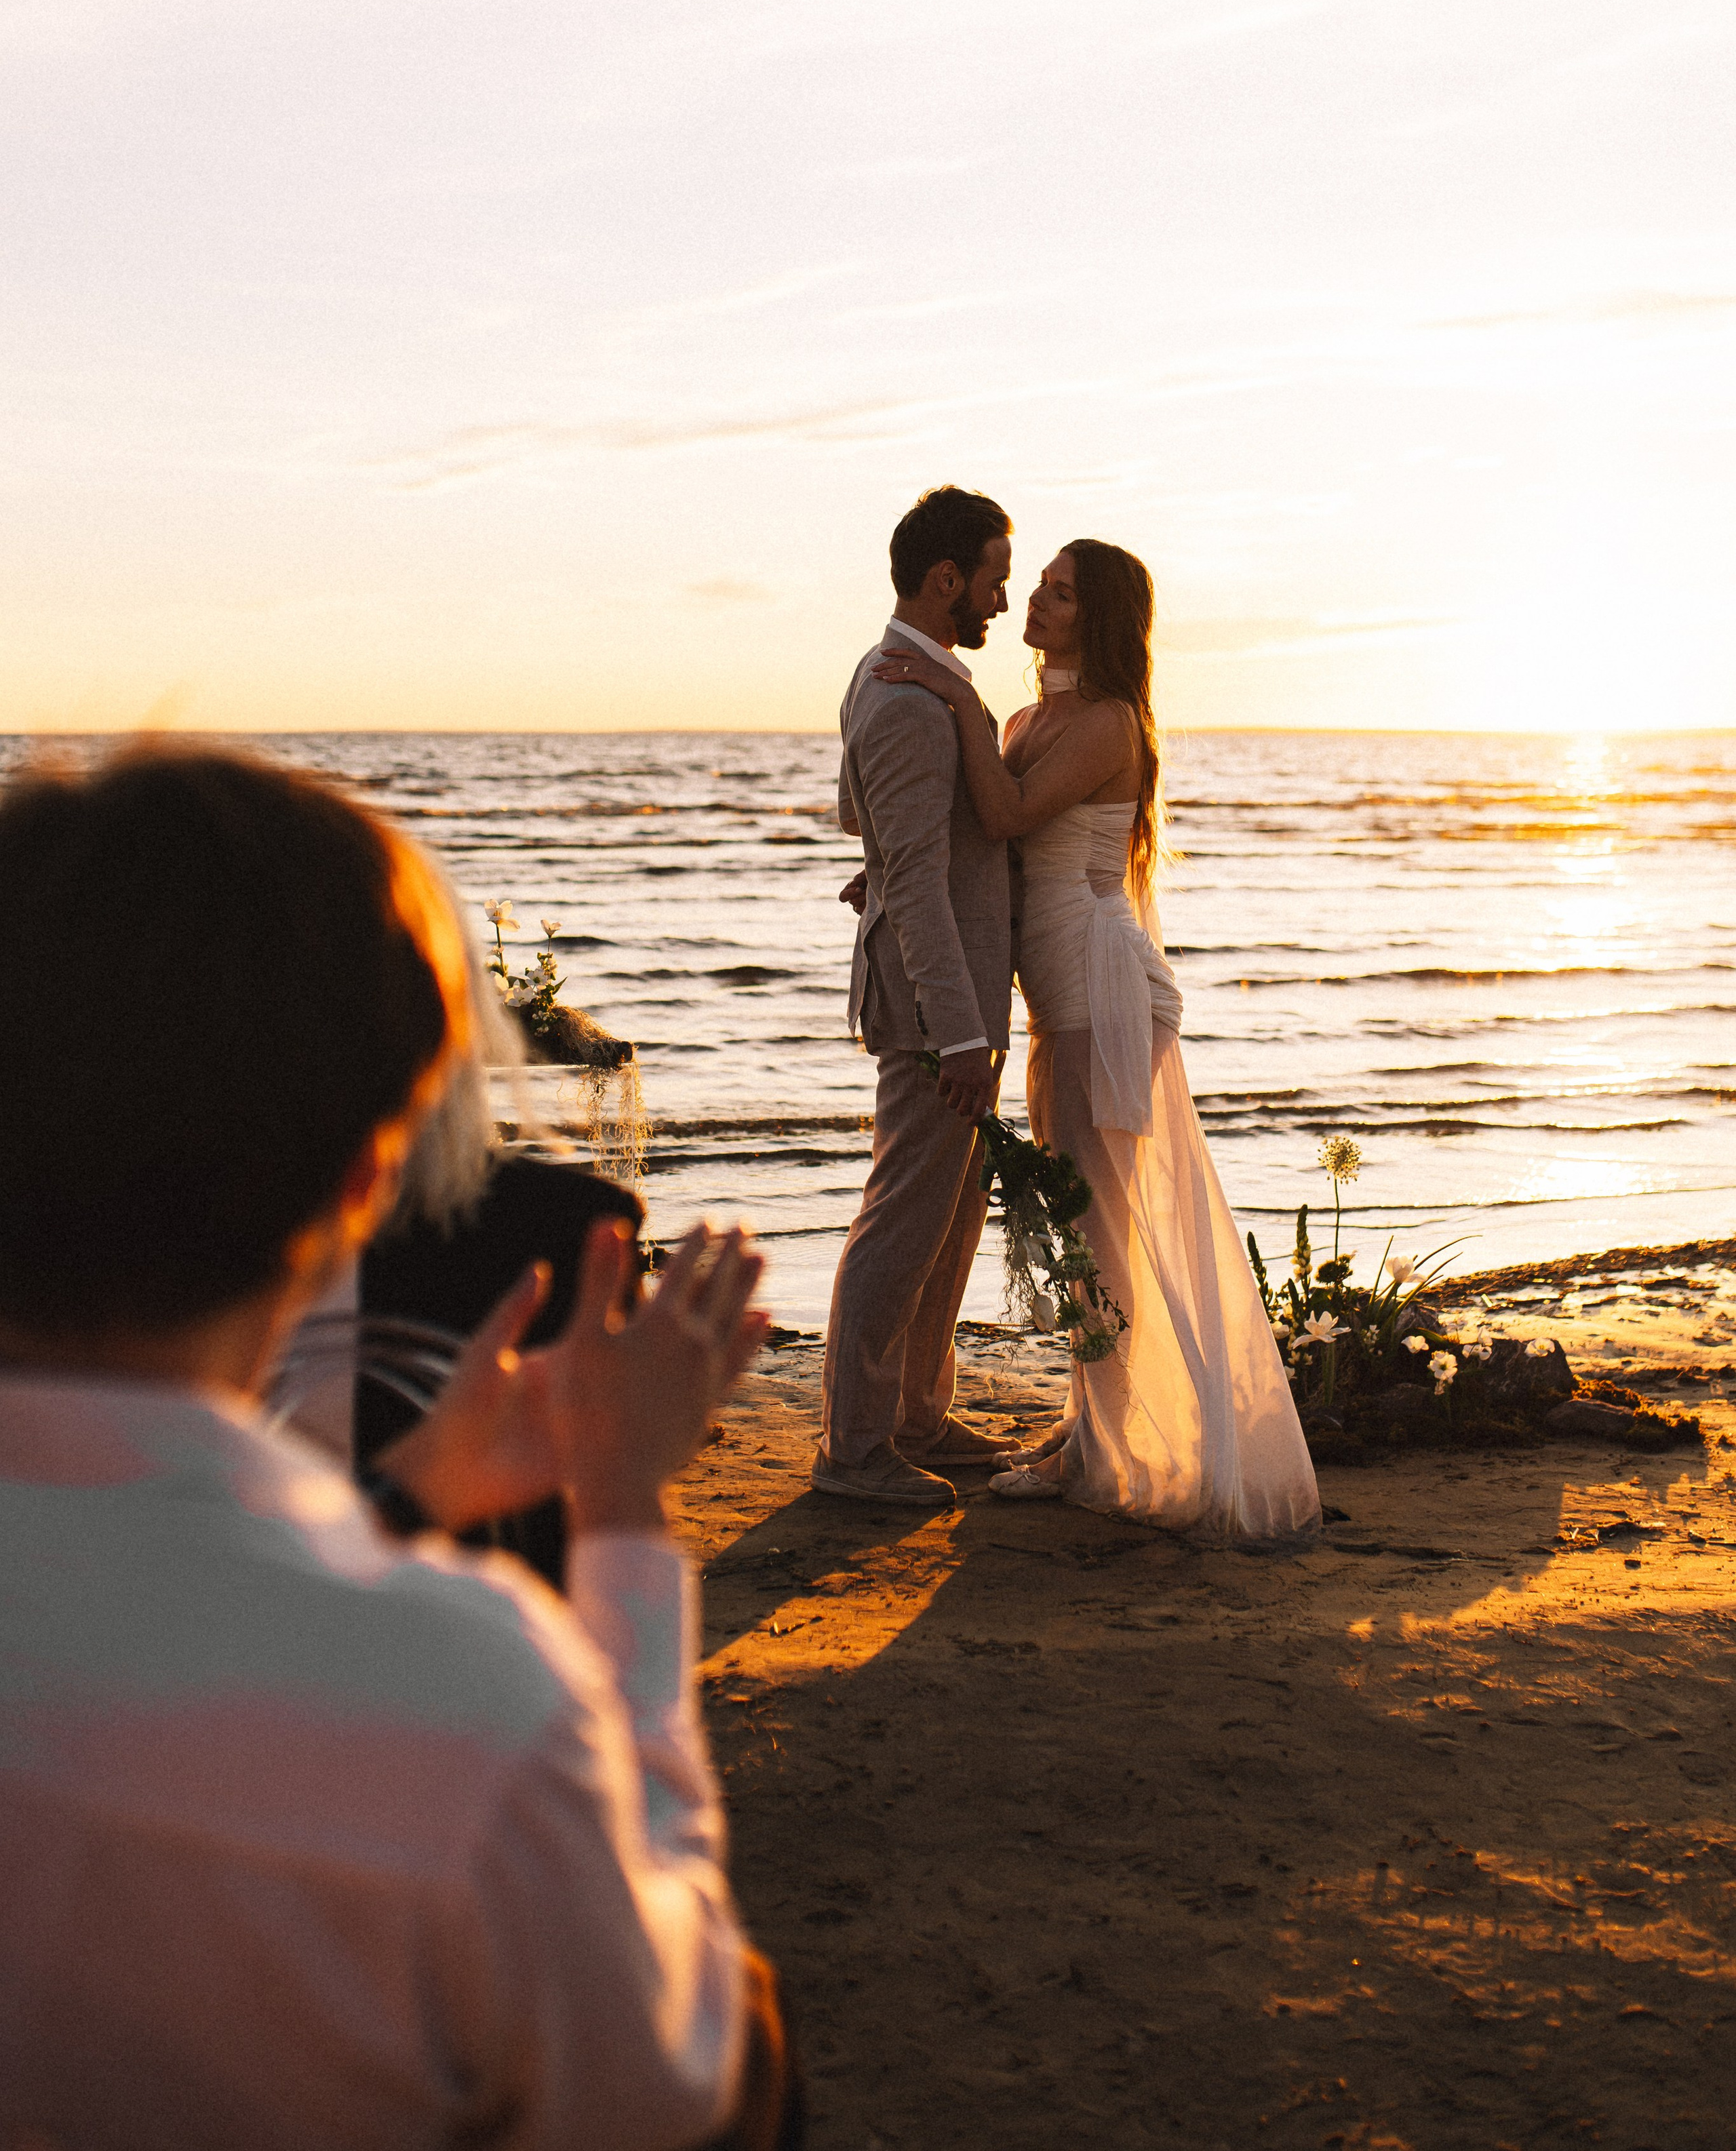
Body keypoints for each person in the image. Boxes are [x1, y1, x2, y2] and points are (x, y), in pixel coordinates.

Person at [0, 743, 797, 2150]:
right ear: (372, 1171)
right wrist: (614, 1515)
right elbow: (670, 2082)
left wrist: (409, 1492)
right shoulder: (468, 1712)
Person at [872, 540, 1320, 1545]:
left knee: (1099, 1219)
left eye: (1060, 592)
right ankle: (1095, 1425)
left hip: (1098, 988)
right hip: (1056, 997)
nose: (1035, 598)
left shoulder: (1110, 724)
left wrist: (944, 686)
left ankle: (1109, 1443)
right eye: (1037, 583)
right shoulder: (1031, 716)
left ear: (1099, 617)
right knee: (1082, 1215)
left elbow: (1009, 807)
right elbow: (988, 845)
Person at [813, 486, 1020, 1505]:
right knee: (905, 1214)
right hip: (940, 1004)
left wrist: (888, 861)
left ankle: (916, 1413)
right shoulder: (902, 693)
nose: (1002, 599)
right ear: (946, 580)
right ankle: (854, 1447)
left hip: (960, 995)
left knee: (954, 1209)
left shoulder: (908, 677)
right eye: (992, 578)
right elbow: (922, 882)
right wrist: (960, 1033)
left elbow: (864, 817)